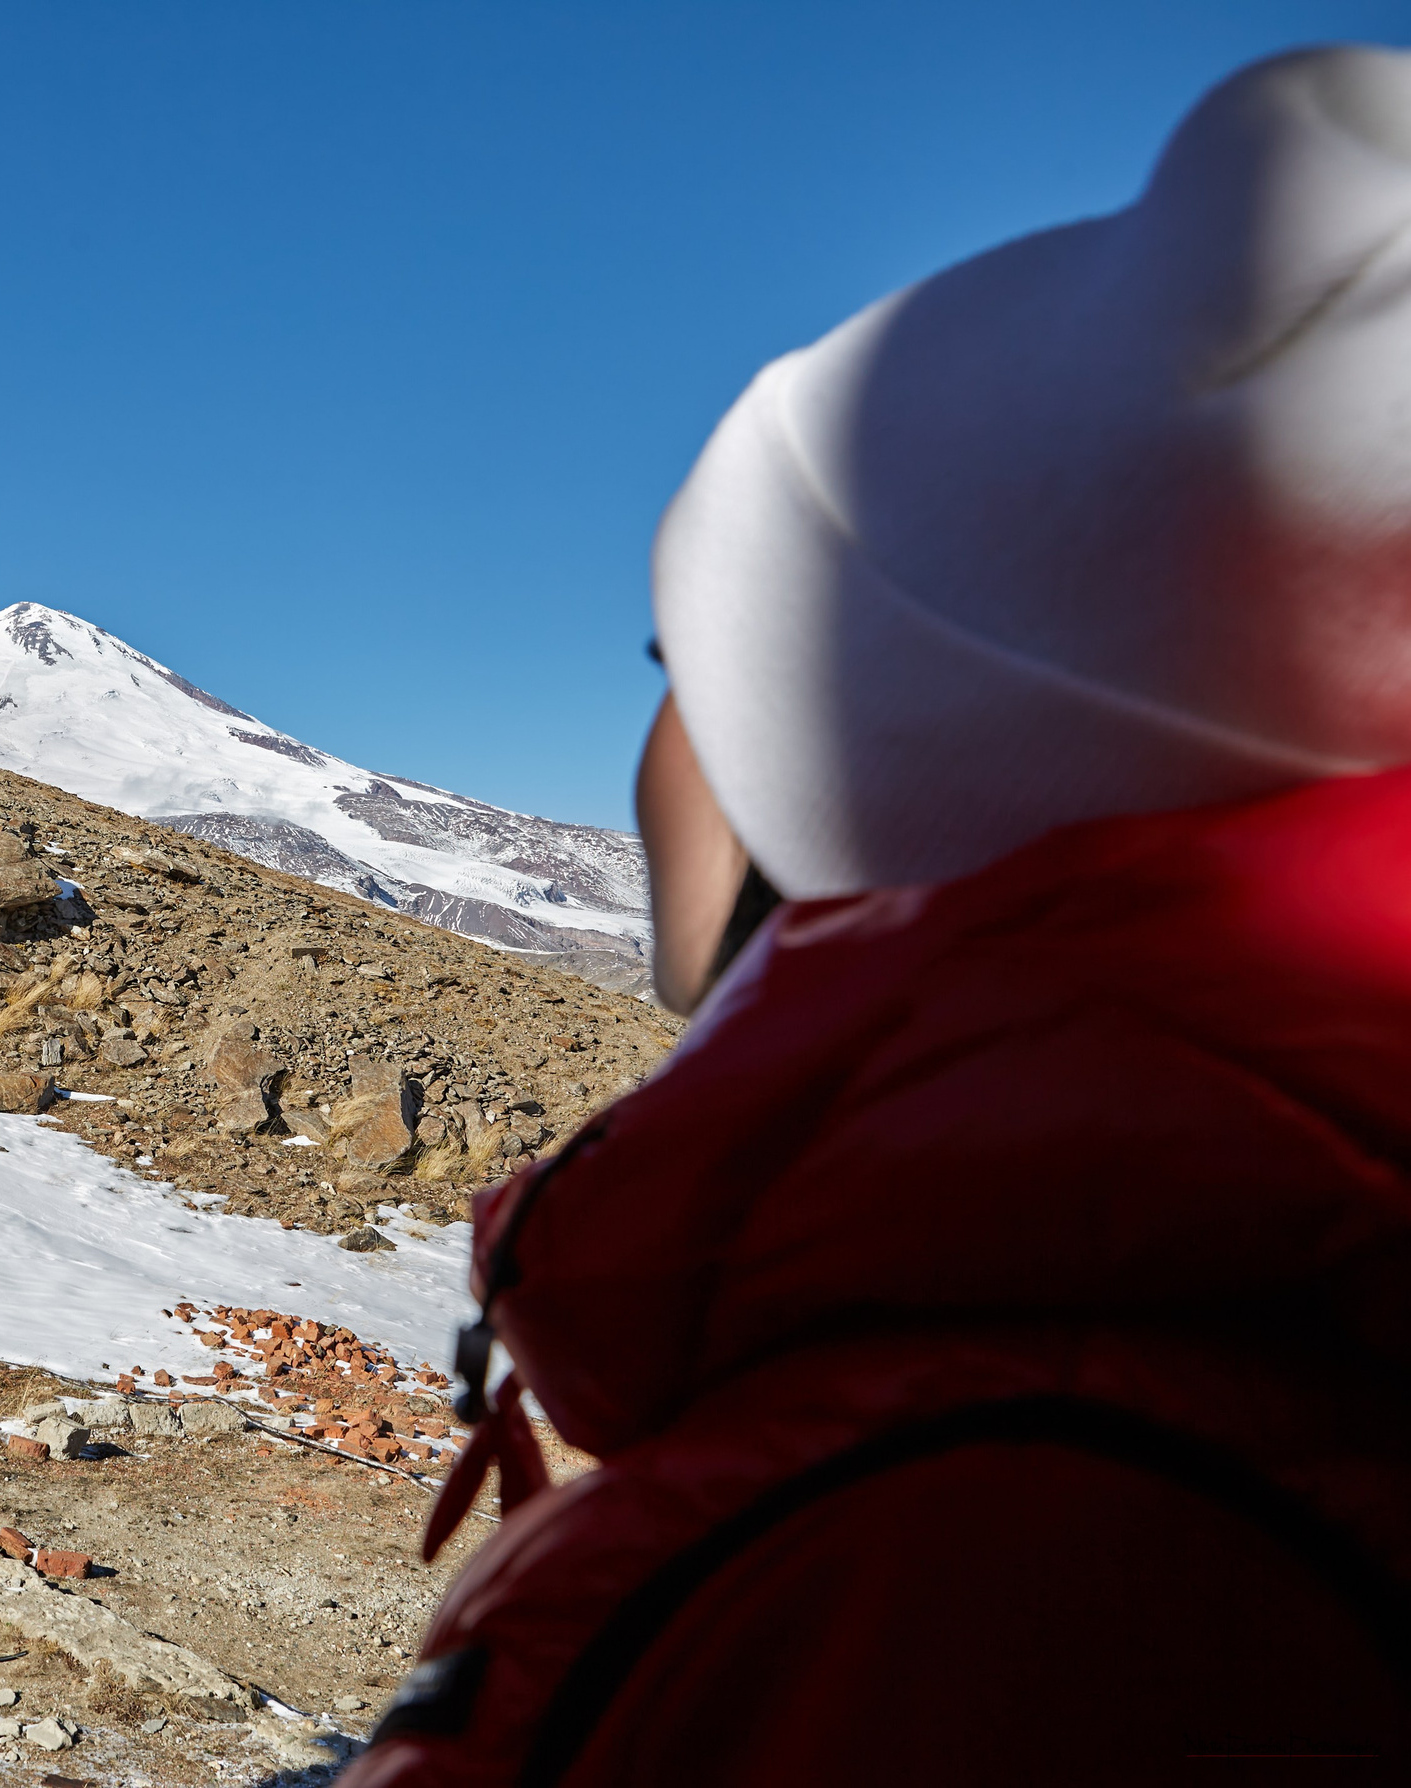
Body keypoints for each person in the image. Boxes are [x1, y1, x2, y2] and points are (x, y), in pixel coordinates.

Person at [354, 44, 1411, 1786]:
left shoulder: (977, 1548)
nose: (650, 752)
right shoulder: (1214, 1393)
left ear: (868, 761)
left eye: (676, 666)